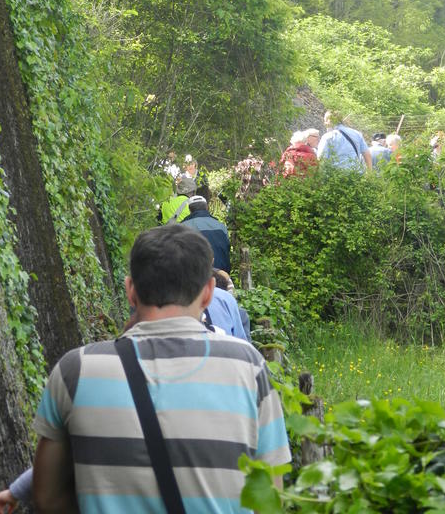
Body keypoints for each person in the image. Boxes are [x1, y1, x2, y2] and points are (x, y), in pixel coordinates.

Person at [32, 225, 291, 513]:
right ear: (208, 293)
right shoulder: (249, 366)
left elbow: (47, 498)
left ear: (131, 290)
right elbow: (270, 499)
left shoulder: (74, 371)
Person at [180, 194, 231, 272]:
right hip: (220, 273)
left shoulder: (182, 228)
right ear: (207, 207)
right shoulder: (221, 226)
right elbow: (227, 249)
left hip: (194, 275)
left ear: (190, 210)